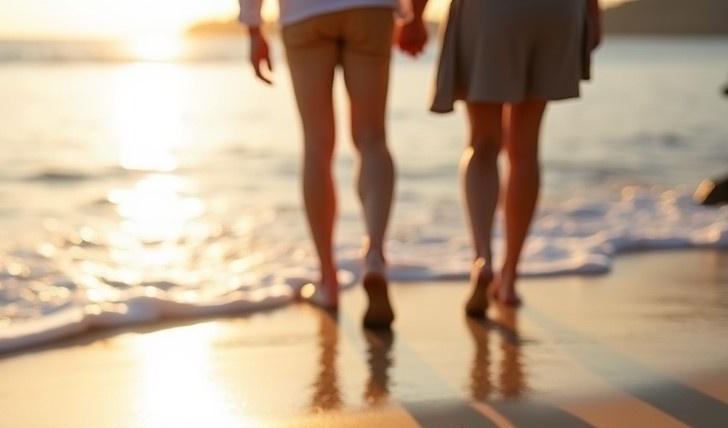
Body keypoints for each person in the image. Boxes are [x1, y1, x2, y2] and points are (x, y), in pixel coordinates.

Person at [398, 0, 601, 316]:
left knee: (483, 144)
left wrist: (415, 15)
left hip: (490, 12)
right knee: (525, 150)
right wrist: (592, 13)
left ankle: (483, 260)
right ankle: (509, 277)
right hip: (557, 12)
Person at [240, 0, 408, 328]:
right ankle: (374, 255)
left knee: (317, 147)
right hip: (370, 9)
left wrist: (253, 27)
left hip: (304, 13)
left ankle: (328, 281)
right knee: (372, 138)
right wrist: (410, 13)